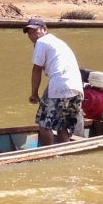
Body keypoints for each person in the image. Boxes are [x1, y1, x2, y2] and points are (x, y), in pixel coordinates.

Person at [22, 17, 83, 146]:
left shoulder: (42, 42)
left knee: (44, 124)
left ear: (45, 30)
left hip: (61, 85)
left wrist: (34, 93)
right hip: (76, 87)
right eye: (29, 32)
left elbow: (36, 69)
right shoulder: (57, 42)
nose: (32, 34)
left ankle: (48, 155)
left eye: (35, 30)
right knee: (62, 126)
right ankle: (64, 153)